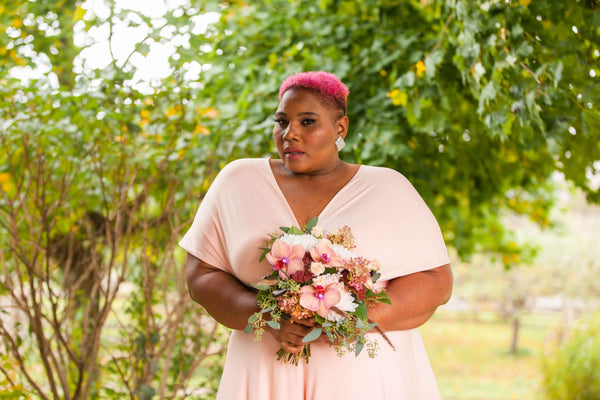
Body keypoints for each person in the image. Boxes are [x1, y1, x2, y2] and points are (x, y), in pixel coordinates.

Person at [180, 71, 453, 399]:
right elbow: (200, 274)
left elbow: (435, 280)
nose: (290, 134)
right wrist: (266, 316)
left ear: (340, 128)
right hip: (264, 372)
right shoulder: (238, 181)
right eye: (281, 121)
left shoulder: (388, 188)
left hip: (362, 379)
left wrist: (351, 319)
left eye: (307, 122)